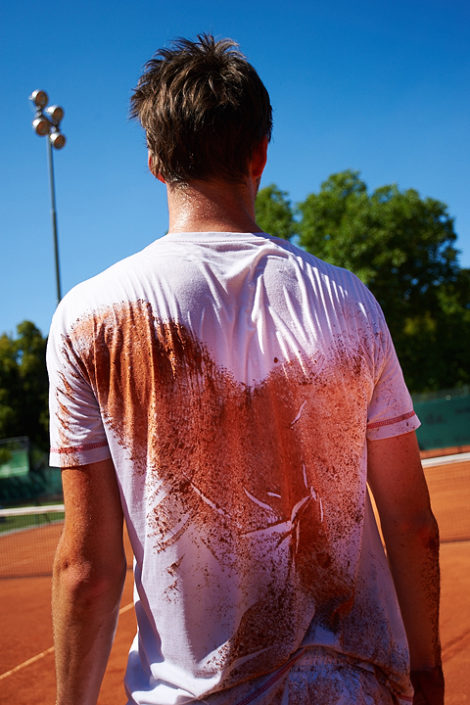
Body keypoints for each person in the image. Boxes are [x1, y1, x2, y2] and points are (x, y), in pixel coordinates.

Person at [47, 34, 443, 705]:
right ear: (261, 153)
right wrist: (428, 677)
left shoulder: (90, 317)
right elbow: (411, 523)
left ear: (154, 162)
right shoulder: (351, 301)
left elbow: (88, 568)